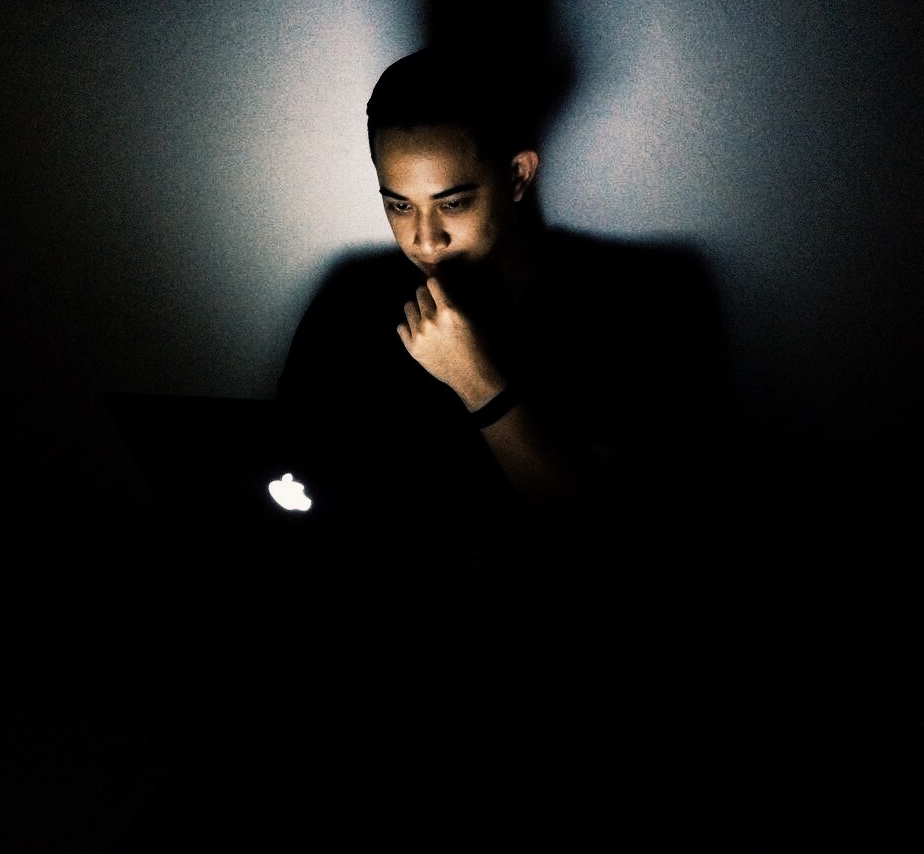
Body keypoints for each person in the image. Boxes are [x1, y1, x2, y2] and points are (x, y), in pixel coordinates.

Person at [276, 45, 729, 627]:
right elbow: (282, 483)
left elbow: (616, 546)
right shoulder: (347, 305)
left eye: (453, 203)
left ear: (516, 175)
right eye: (398, 205)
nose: (425, 239)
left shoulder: (624, 303)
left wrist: (477, 381)